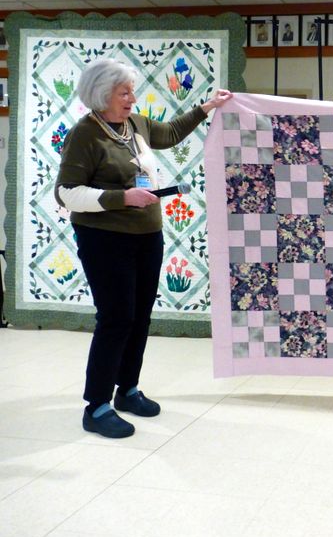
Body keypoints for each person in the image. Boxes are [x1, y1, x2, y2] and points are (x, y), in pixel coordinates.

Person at [55, 58, 232, 438]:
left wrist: (207, 107)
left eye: (131, 92)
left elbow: (170, 133)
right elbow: (66, 193)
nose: (132, 99)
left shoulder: (134, 124)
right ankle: (96, 405)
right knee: (116, 318)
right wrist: (122, 197)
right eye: (124, 93)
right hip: (105, 238)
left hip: (147, 235)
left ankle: (127, 389)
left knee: (139, 317)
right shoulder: (85, 135)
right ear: (102, 95)